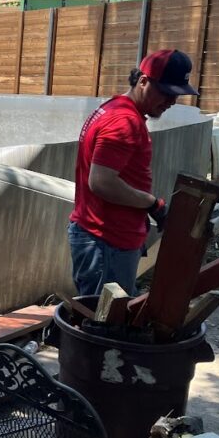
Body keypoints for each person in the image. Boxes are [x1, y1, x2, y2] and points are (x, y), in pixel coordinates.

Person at [68, 48, 197, 297]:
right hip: (106, 242)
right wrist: (153, 204)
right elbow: (102, 182)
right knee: (104, 325)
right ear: (143, 81)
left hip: (106, 240)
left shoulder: (115, 109)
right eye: (167, 92)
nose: (171, 101)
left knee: (107, 318)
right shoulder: (123, 122)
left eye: (177, 95)